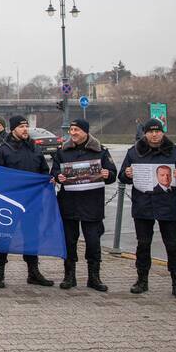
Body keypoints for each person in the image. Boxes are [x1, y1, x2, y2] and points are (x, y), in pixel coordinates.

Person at [119, 118, 176, 299]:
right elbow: (122, 176)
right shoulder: (134, 152)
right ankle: (142, 280)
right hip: (143, 205)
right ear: (145, 133)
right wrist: (127, 175)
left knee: (172, 245)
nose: (154, 134)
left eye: (157, 131)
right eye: (150, 131)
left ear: (162, 132)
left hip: (168, 206)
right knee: (143, 244)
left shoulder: (175, 153)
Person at [50, 118, 117, 291]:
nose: (73, 133)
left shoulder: (100, 151)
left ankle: (94, 277)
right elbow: (54, 172)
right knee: (69, 242)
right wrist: (58, 177)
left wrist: (107, 173)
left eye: (76, 130)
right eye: (71, 130)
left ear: (86, 132)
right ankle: (69, 276)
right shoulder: (62, 151)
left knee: (93, 242)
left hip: (92, 204)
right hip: (69, 204)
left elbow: (113, 175)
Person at [0, 116, 54, 288]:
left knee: (31, 237)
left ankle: (33, 272)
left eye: (26, 126)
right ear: (13, 129)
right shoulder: (2, 150)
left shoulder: (34, 148)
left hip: (32, 203)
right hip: (9, 204)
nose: (25, 129)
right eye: (21, 126)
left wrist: (48, 181)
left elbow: (43, 172)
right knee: (4, 237)